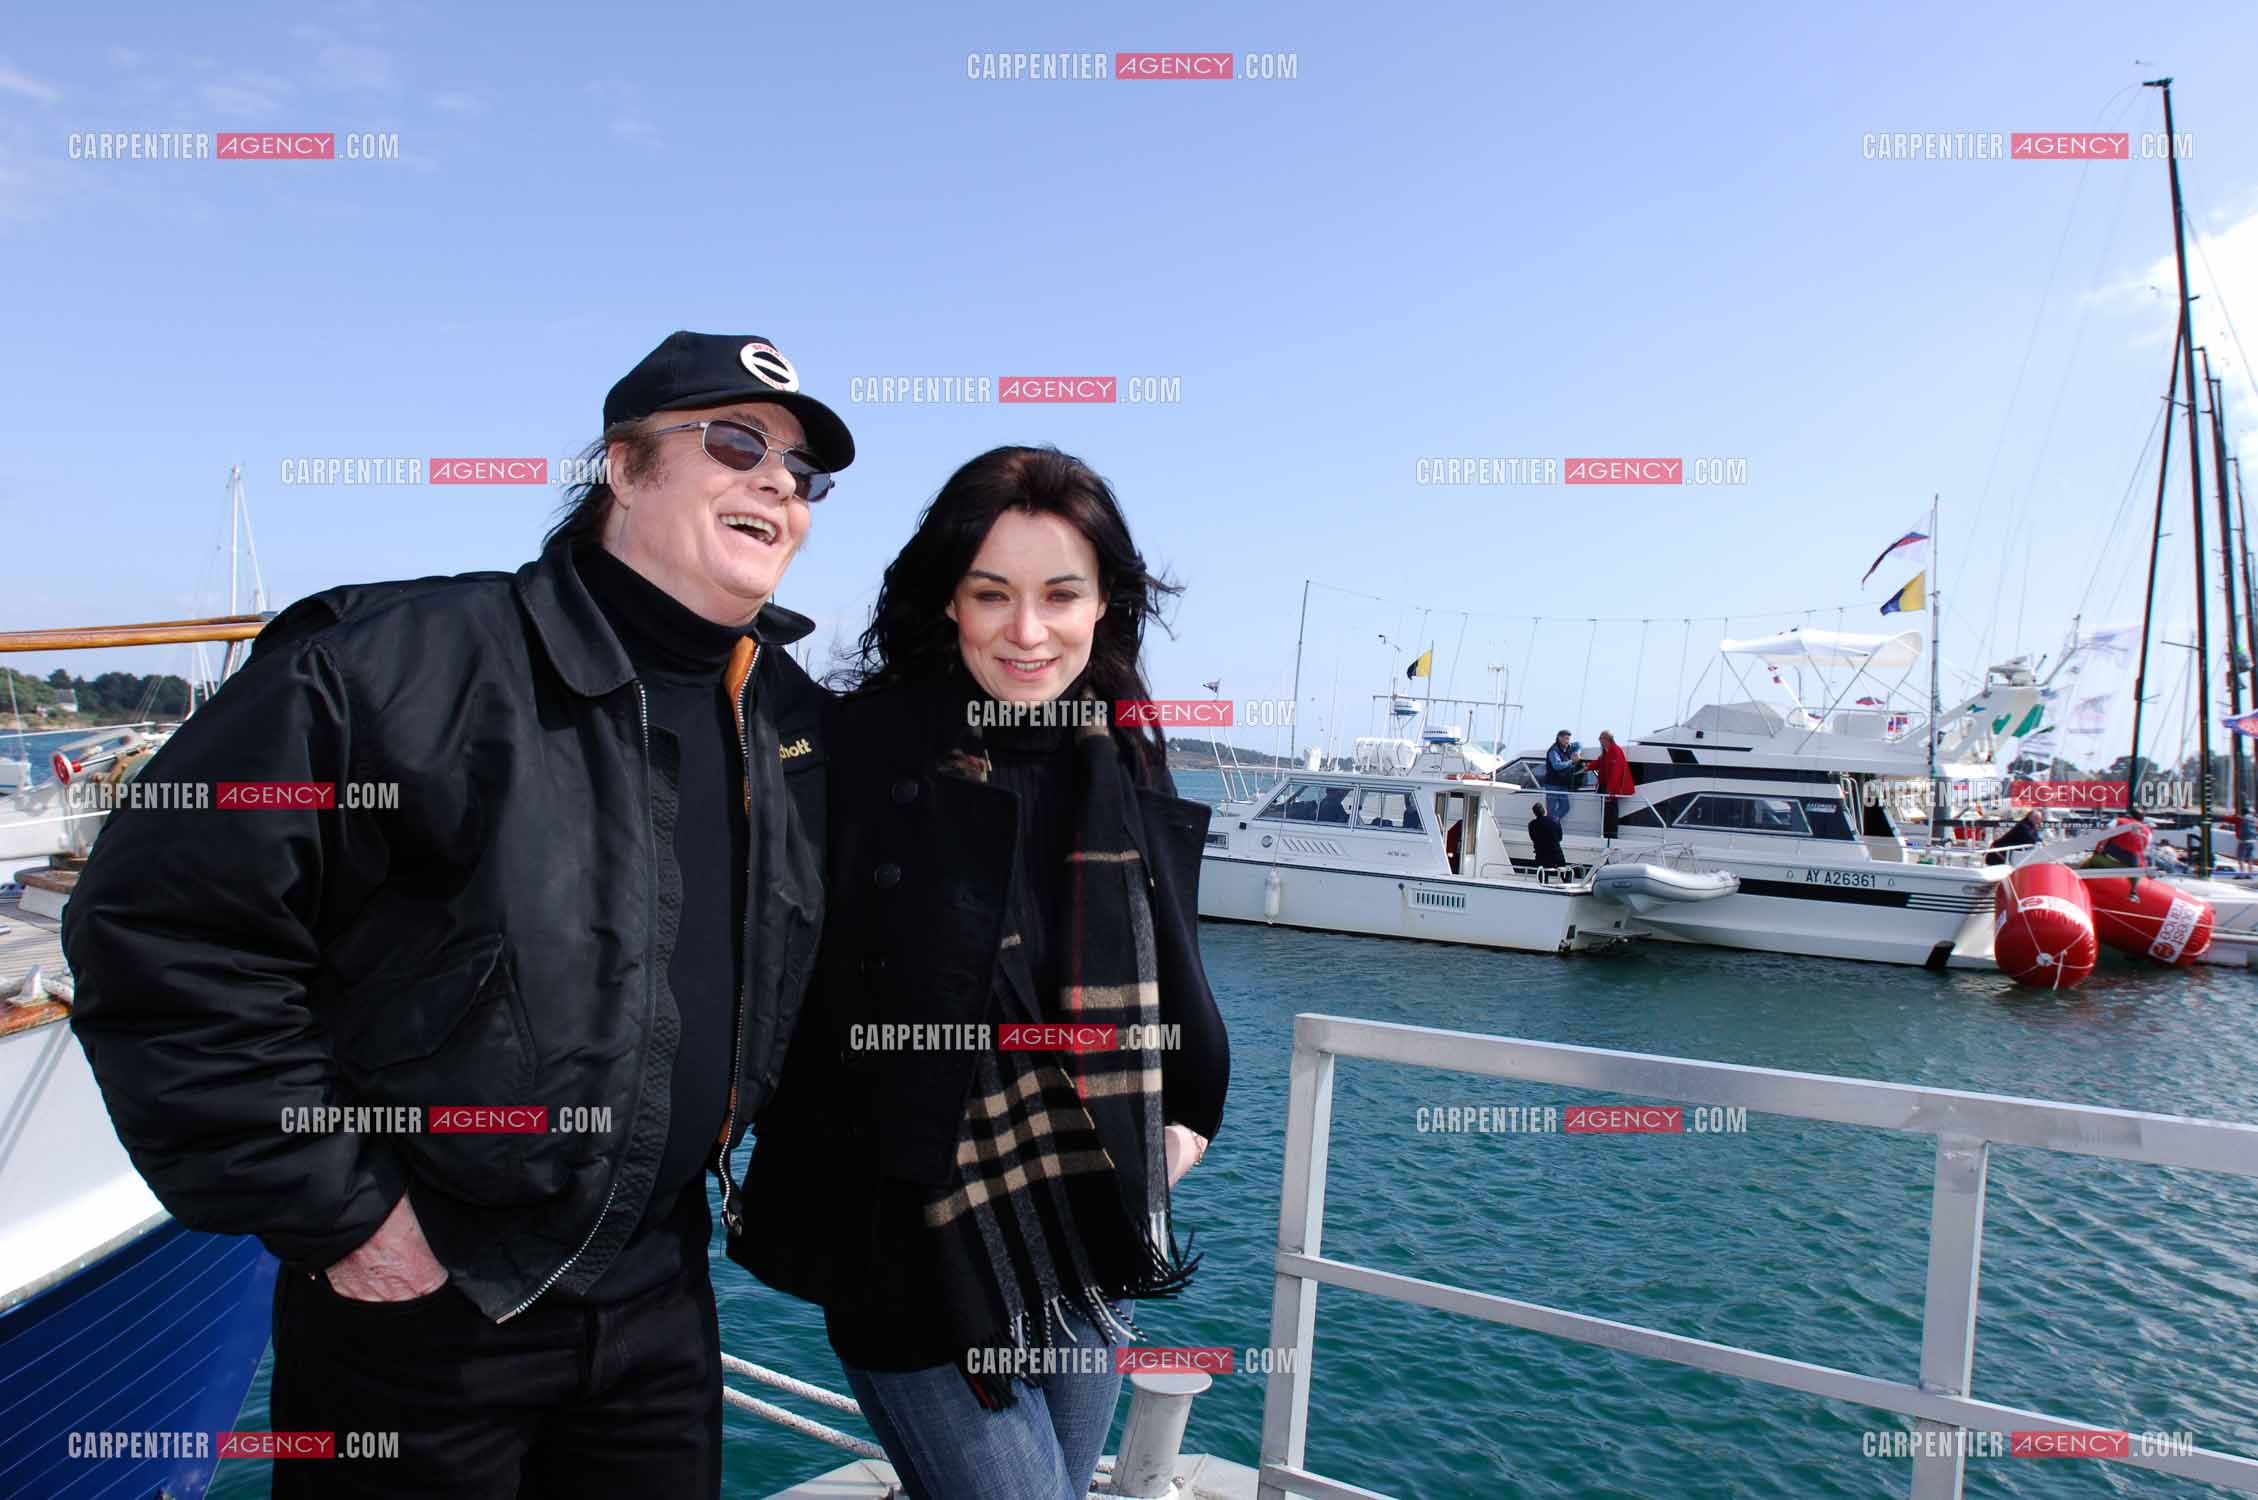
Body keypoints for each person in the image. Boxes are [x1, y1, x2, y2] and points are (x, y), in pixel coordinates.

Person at [63, 330, 850, 1499]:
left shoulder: (779, 718)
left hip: (657, 1294)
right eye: (736, 442)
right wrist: (340, 1209)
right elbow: (166, 931)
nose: (778, 482)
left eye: (805, 471)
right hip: (421, 1301)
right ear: (623, 469)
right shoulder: (392, 664)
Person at [738, 446, 1230, 1500]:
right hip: (905, 1234)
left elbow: (1166, 950)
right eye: (990, 594)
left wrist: (1185, 1107)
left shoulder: (1120, 748)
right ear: (945, 600)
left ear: (1105, 604)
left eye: (1060, 594)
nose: (1026, 631)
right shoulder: (859, 748)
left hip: (1086, 1212)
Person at [1592, 729, 1634, 839]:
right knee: (1606, 814)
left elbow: (1616, 773)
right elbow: (1599, 762)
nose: (1599, 741)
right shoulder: (1606, 752)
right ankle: (1607, 835)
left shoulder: (1615, 751)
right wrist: (1587, 767)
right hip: (1605, 787)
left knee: (1611, 814)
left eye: (1601, 738)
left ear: (1607, 739)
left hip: (1611, 789)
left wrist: (1610, 791)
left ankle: (1611, 837)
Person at [1541, 730, 1583, 819]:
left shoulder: (1568, 747)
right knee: (1551, 809)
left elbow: (1579, 744)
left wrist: (1577, 753)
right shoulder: (1554, 750)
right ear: (1559, 738)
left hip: (1562, 784)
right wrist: (1571, 761)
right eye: (1566, 738)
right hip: (1552, 785)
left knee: (1565, 807)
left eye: (1568, 739)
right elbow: (1557, 765)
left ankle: (1552, 822)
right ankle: (1549, 825)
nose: (1567, 741)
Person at [1529, 799, 1567, 871]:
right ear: (1545, 811)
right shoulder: (1554, 821)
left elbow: (1533, 838)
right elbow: (1560, 837)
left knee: (1543, 876)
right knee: (1564, 873)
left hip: (1541, 854)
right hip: (1556, 854)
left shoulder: (1532, 824)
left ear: (1534, 813)